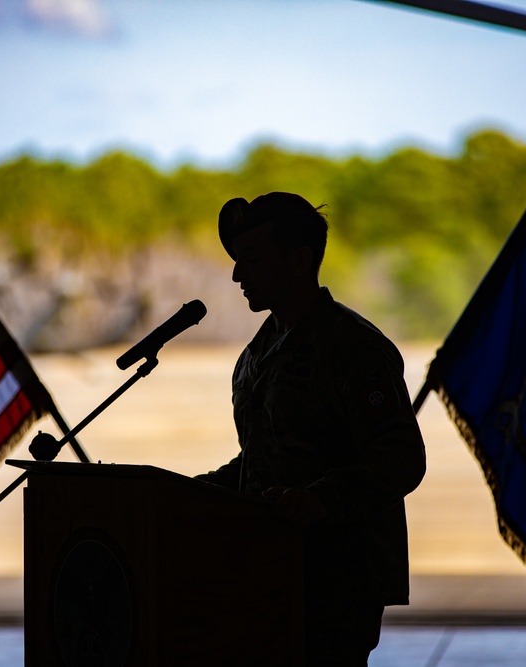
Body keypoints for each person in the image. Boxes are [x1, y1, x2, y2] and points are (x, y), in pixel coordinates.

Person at [196, 192, 427, 664]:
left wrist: (320, 499)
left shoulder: (353, 347)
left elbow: (400, 456)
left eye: (253, 260)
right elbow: (271, 456)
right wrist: (195, 492)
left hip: (337, 579)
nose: (238, 275)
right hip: (267, 575)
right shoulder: (256, 354)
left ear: (299, 261)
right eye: (238, 261)